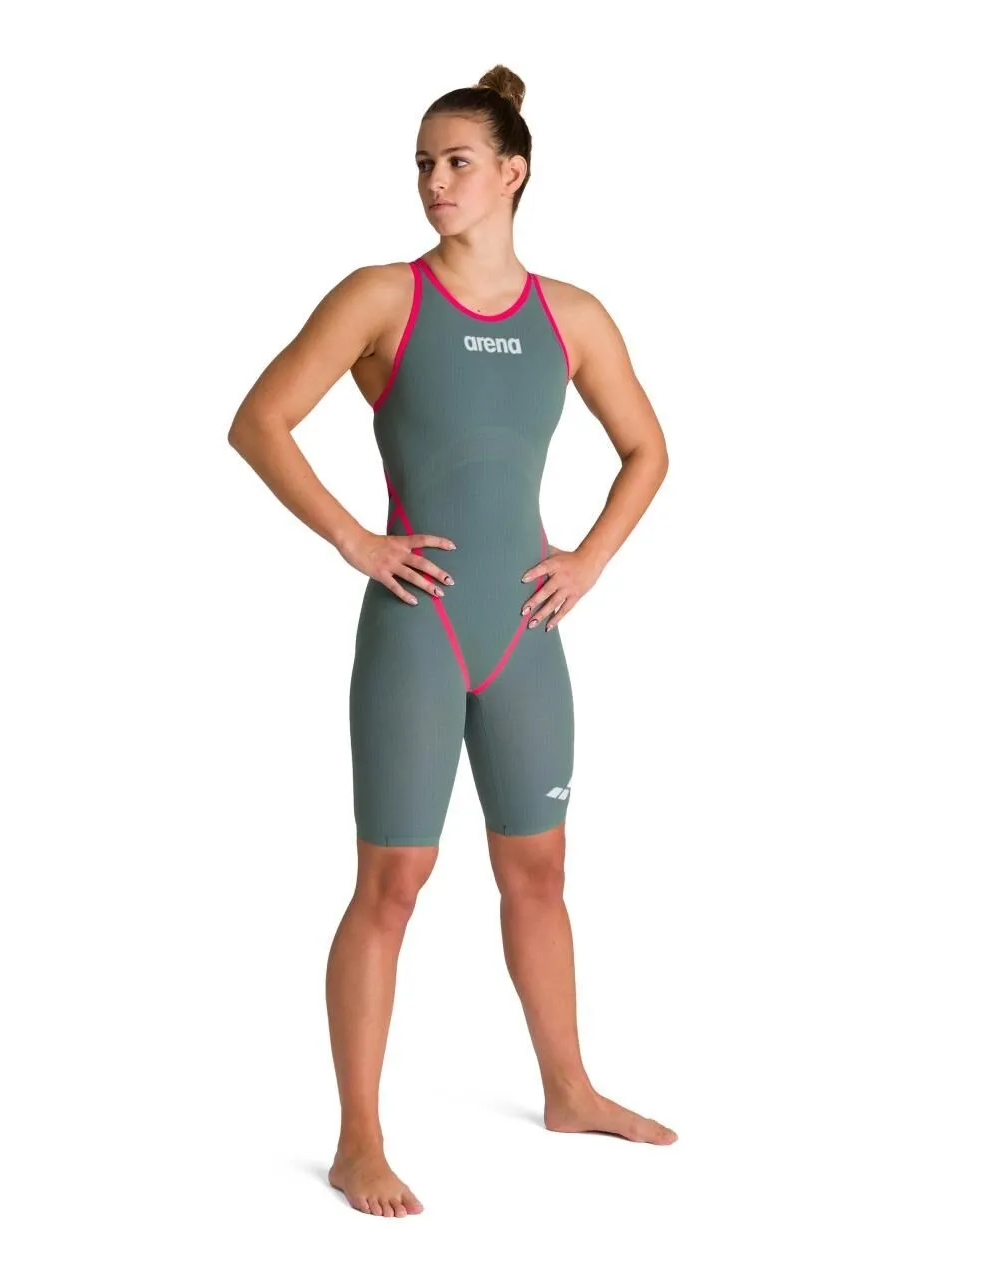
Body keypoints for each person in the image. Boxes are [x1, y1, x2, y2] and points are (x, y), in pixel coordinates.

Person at [228, 64, 674, 1218]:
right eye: (424, 163)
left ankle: (569, 1088)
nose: (435, 180)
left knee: (542, 870)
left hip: (524, 634)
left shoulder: (571, 316)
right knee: (393, 882)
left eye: (458, 161)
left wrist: (588, 559)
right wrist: (353, 539)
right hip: (417, 629)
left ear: (513, 172)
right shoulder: (383, 297)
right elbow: (259, 420)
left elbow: (649, 450)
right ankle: (359, 1140)